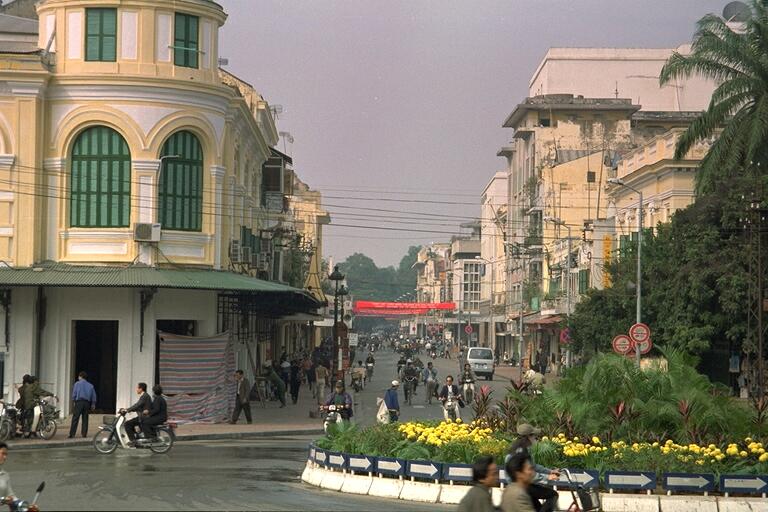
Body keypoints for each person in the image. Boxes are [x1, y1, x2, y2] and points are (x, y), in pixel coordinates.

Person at [507, 424, 559, 512]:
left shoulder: (523, 449)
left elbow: (533, 466)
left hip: (522, 485)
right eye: (533, 435)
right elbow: (526, 473)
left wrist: (550, 471)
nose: (535, 438)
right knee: (553, 495)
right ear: (528, 437)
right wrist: (546, 477)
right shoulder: (520, 452)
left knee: (537, 508)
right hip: (520, 486)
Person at [69, 371, 97, 438]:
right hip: (87, 403)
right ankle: (84, 434)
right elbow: (94, 396)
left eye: (79, 376)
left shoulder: (77, 384)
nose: (78, 378)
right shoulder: (90, 385)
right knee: (85, 418)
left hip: (79, 402)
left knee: (75, 418)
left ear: (80, 376)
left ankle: (72, 434)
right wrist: (93, 404)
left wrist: (73, 401)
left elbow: (74, 394)